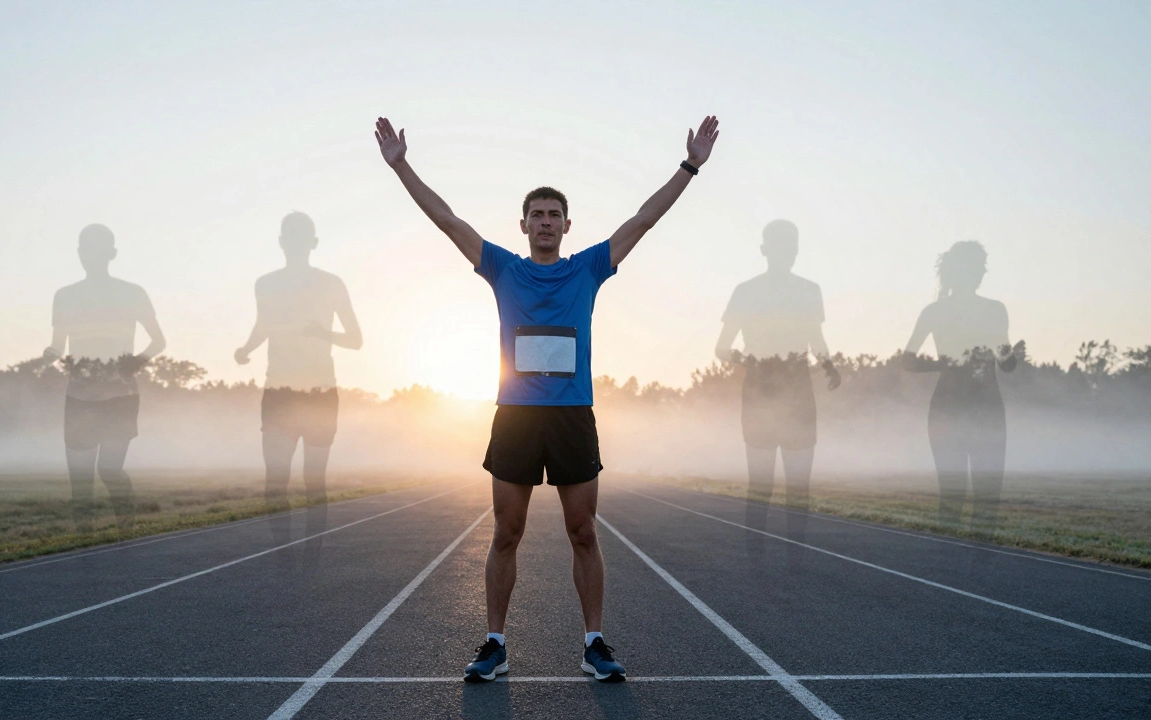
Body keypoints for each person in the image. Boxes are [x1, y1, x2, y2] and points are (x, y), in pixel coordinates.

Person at [375, 115, 720, 683]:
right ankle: (495, 643)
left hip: (570, 417)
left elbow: (645, 219)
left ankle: (593, 643)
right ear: (523, 224)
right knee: (506, 532)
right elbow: (446, 220)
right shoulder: (502, 268)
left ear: (566, 226)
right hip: (514, 417)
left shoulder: (588, 268)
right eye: (536, 214)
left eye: (553, 215)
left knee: (583, 531)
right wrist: (400, 166)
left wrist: (690, 166)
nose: (545, 222)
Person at [715, 220, 839, 546]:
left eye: (791, 246)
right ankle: (755, 556)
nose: (787, 252)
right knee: (761, 482)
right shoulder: (746, 291)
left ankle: (795, 557)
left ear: (796, 251)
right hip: (761, 391)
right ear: (765, 250)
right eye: (781, 245)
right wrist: (750, 360)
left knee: (799, 483)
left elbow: (816, 337)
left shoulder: (809, 290)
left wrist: (829, 367)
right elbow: (721, 347)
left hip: (797, 392)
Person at [235, 212, 362, 524]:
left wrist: (322, 333)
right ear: (281, 242)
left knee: (313, 481)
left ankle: (311, 561)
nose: (295, 243)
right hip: (279, 390)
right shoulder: (265, 284)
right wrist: (246, 348)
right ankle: (282, 561)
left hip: (320, 391)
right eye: (290, 237)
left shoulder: (332, 284)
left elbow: (355, 339)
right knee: (276, 479)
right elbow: (262, 325)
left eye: (301, 238)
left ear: (313, 243)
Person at [45, 224, 165, 532]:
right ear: (79, 254)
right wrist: (50, 353)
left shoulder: (132, 292)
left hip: (120, 395)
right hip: (80, 395)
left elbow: (158, 341)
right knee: (80, 479)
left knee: (109, 469)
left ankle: (126, 528)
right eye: (86, 249)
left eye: (98, 249)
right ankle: (83, 543)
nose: (91, 255)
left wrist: (136, 363)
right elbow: (58, 344)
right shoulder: (65, 296)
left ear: (112, 253)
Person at [903, 240, 1024, 531]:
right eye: (977, 268)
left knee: (981, 494)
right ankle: (956, 566)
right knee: (961, 493)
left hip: (974, 407)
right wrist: (945, 363)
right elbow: (906, 361)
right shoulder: (943, 311)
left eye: (982, 268)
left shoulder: (989, 310)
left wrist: (1013, 355)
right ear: (960, 272)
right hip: (959, 407)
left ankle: (970, 568)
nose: (981, 273)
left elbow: (1005, 362)